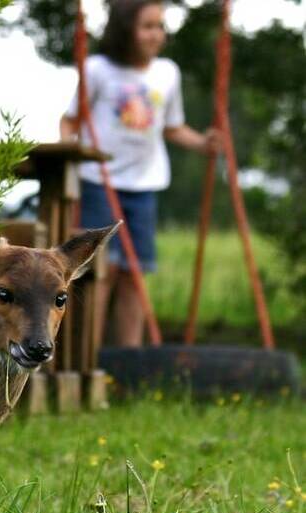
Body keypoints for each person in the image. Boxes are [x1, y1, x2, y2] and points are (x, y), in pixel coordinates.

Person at [60, 0, 221, 347]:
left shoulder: (167, 72)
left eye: (160, 26)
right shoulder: (99, 69)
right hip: (100, 180)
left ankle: (129, 359)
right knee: (104, 271)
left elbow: (173, 127)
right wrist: (67, 160)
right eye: (147, 26)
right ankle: (90, 354)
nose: (156, 35)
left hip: (145, 184)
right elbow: (70, 121)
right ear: (125, 30)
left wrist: (202, 143)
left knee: (135, 275)